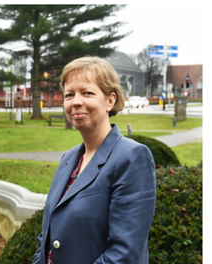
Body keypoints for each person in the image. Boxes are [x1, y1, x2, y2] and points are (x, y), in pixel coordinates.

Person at [33, 56, 156, 264]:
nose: (76, 101)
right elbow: (47, 237)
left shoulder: (132, 158)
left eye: (87, 92)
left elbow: (123, 255)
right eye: (69, 95)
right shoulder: (68, 159)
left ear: (110, 100)